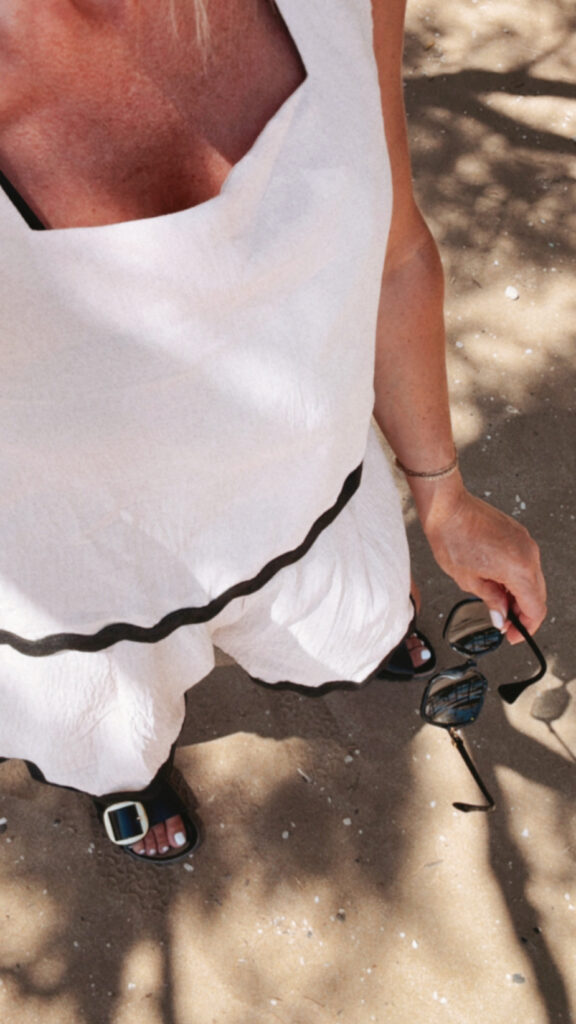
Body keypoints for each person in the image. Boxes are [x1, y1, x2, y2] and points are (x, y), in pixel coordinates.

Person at [0, 0, 546, 862]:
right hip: (80, 568)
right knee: (113, 717)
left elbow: (396, 249)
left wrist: (443, 497)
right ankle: (123, 771)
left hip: (311, 495)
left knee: (340, 624)